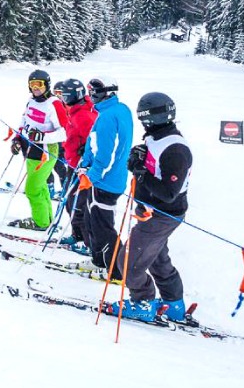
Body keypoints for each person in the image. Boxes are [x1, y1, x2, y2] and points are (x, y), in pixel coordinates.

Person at [108, 92, 192, 322]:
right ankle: (173, 304)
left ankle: (142, 301)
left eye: (144, 118)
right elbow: (150, 169)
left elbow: (168, 193)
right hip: (150, 211)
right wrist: (138, 160)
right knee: (156, 258)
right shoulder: (156, 137)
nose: (143, 123)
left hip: (163, 214)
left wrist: (141, 173)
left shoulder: (175, 149)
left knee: (128, 261)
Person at [77, 77, 134, 274]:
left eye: (94, 92)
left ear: (105, 93)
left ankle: (114, 269)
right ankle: (99, 261)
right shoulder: (120, 109)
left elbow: (107, 155)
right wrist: (86, 162)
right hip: (109, 178)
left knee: (101, 227)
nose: (90, 96)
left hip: (105, 181)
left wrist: (91, 175)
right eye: (90, 91)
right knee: (92, 221)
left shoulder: (108, 116)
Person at [9, 69, 68, 231]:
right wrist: (17, 139)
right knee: (40, 186)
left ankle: (40, 222)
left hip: (46, 152)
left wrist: (43, 137)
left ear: (46, 85)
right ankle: (46, 218)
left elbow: (64, 132)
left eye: (39, 84)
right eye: (32, 84)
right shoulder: (31, 101)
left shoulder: (54, 104)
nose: (36, 88)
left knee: (32, 189)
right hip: (30, 150)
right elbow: (24, 121)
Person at [53, 78, 97, 247]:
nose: (62, 99)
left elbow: (94, 140)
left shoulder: (84, 114)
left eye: (64, 96)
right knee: (69, 202)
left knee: (80, 206)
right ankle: (77, 234)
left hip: (82, 168)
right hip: (72, 164)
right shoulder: (74, 110)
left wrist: (85, 150)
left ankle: (90, 244)